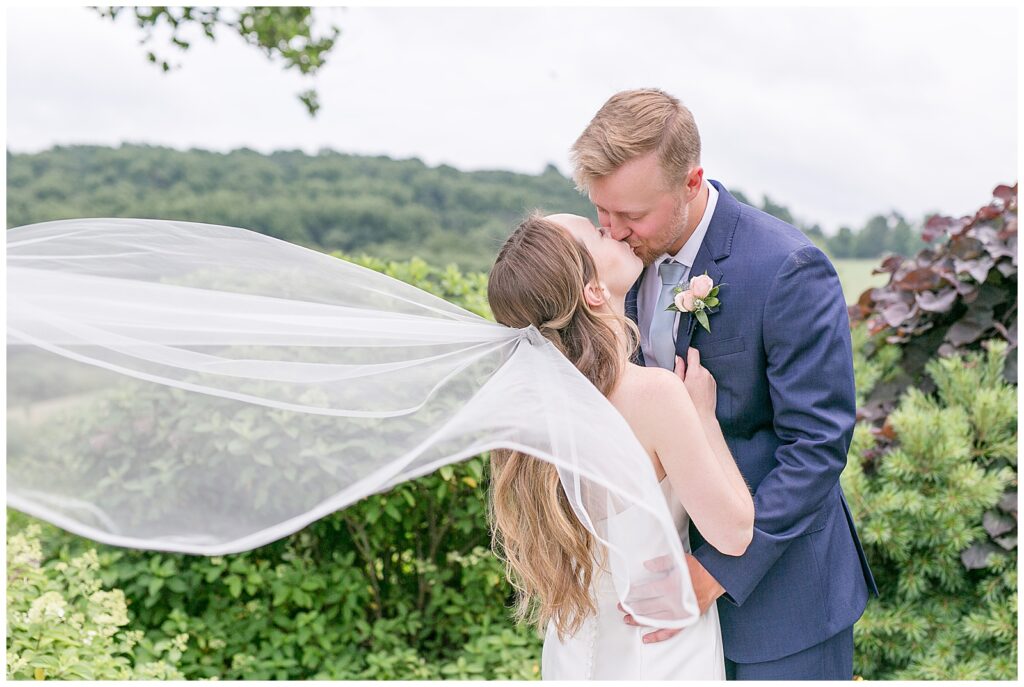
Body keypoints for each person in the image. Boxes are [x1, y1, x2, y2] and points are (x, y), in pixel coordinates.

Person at [570, 87, 878, 680]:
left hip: (781, 607)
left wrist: (712, 575)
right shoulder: (615, 267)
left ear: (691, 182)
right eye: (603, 212)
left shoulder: (787, 268)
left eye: (632, 215)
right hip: (654, 595)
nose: (614, 232)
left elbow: (816, 448)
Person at [487, 212, 754, 680]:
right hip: (659, 643)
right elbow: (733, 533)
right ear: (593, 292)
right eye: (597, 234)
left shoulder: (533, 410)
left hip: (574, 646)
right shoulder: (653, 395)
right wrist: (704, 419)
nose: (611, 229)